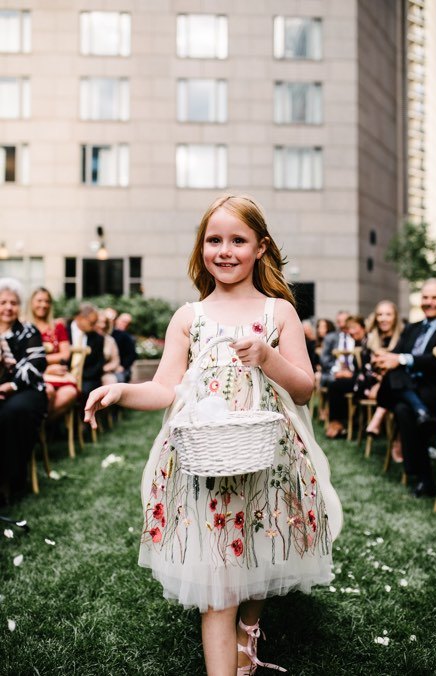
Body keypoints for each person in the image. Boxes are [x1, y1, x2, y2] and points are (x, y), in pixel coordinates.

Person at [83, 194, 342, 675]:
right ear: (201, 247)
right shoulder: (190, 317)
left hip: (268, 460)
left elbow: (305, 391)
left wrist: (267, 357)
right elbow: (165, 389)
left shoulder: (279, 312)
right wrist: (119, 390)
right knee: (218, 587)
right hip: (208, 466)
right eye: (214, 240)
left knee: (259, 552)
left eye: (238, 240)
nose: (225, 251)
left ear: (260, 248)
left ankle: (249, 636)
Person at [372, 279, 436, 498]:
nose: (429, 302)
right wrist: (382, 358)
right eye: (425, 297)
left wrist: (402, 359)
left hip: (433, 391)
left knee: (402, 410)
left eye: (434, 297)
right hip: (404, 386)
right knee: (395, 371)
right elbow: (394, 354)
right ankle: (420, 411)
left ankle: (424, 479)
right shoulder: (412, 328)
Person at [0, 278, 47, 502]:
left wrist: (11, 385)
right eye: (3, 302)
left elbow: (37, 364)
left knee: (11, 413)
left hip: (27, 390)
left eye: (13, 302)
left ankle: (11, 481)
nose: (8, 307)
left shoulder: (28, 330)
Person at [28, 287, 79, 419]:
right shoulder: (24, 326)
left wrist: (42, 361)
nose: (43, 305)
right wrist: (47, 367)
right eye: (39, 300)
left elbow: (65, 355)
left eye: (47, 301)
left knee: (70, 392)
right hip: (34, 374)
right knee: (48, 390)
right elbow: (23, 358)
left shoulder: (58, 326)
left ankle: (41, 425)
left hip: (58, 374)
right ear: (31, 303)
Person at [362, 300, 403, 438]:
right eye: (380, 314)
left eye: (388, 314)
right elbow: (364, 367)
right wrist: (379, 379)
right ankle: (398, 441)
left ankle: (378, 420)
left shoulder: (403, 338)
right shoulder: (370, 338)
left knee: (398, 390)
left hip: (392, 383)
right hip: (370, 382)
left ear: (395, 317)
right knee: (399, 390)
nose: (383, 318)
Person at [112, 312, 137, 383]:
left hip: (120, 368)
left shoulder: (128, 338)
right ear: (117, 320)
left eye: (127, 322)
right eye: (123, 321)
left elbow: (132, 355)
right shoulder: (109, 333)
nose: (124, 324)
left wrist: (122, 367)